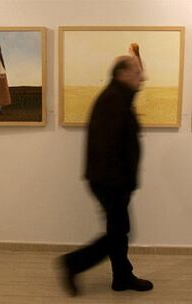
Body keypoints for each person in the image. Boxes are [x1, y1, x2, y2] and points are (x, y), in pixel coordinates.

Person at [59, 56, 153, 296]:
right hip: (110, 181)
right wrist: (121, 183)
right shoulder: (113, 100)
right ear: (122, 74)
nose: (143, 77)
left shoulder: (119, 97)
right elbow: (106, 146)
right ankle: (73, 263)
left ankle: (122, 277)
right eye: (137, 72)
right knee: (117, 233)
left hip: (113, 180)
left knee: (119, 231)